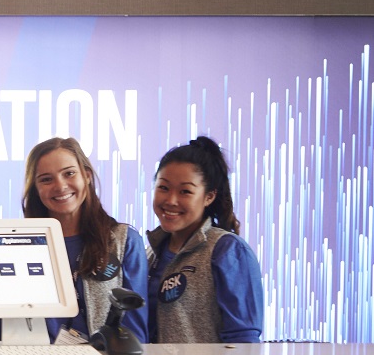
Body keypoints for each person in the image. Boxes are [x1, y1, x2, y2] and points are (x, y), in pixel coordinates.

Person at [21, 137, 149, 344]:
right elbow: (6, 327)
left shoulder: (124, 241)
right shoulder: (20, 244)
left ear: (87, 176)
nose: (60, 186)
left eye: (69, 173)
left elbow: (135, 329)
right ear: (35, 188)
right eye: (46, 179)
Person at [147, 136, 263, 343]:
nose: (171, 200)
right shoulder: (149, 253)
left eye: (185, 191)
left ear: (209, 197)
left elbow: (243, 341)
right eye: (163, 187)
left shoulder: (227, 251)